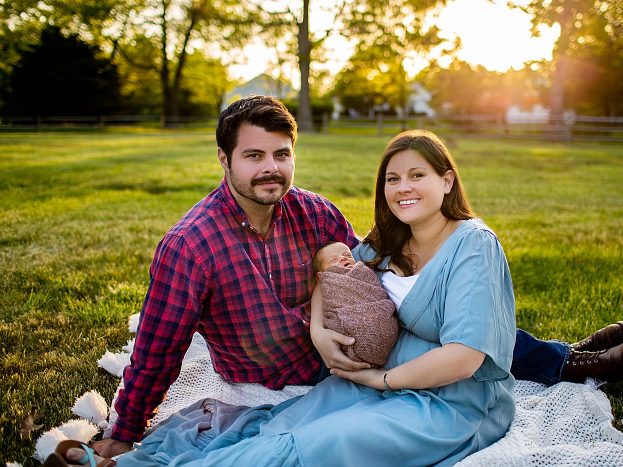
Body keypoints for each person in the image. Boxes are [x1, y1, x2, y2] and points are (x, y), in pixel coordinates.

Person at [78, 96, 623, 459]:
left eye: (281, 153)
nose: (270, 168)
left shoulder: (314, 211)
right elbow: (157, 348)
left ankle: (566, 360)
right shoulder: (191, 245)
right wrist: (126, 429)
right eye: (253, 156)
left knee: (434, 307)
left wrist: (326, 321)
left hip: (371, 352)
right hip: (294, 374)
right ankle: (567, 359)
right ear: (224, 161)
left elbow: (374, 283)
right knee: (426, 325)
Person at [56, 129, 513, 466]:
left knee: (314, 449)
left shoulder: (474, 244)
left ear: (448, 181)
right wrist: (318, 327)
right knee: (283, 424)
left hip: (447, 400)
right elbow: (331, 273)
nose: (403, 188)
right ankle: (133, 461)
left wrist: (382, 383)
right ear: (225, 159)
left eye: (418, 175)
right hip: (372, 376)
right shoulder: (388, 240)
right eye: (392, 179)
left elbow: (467, 356)